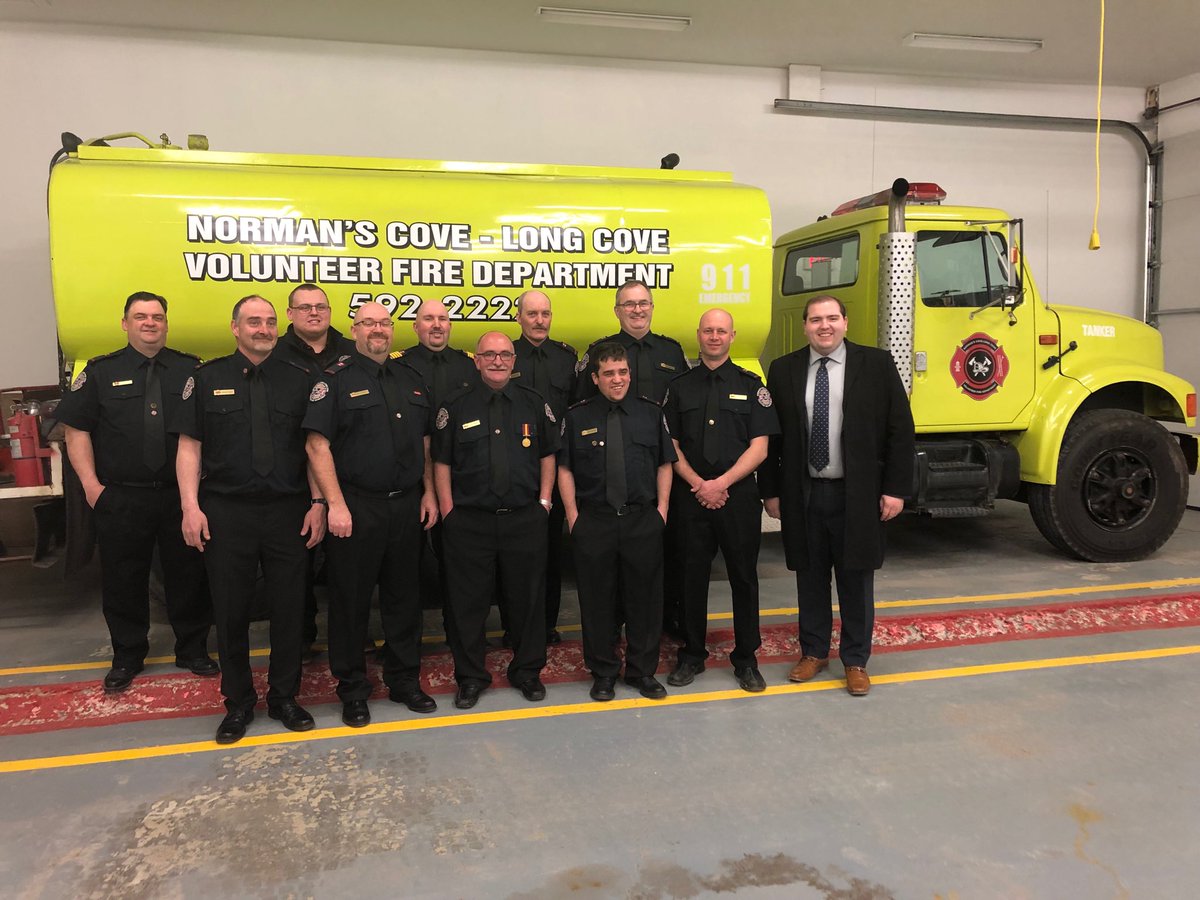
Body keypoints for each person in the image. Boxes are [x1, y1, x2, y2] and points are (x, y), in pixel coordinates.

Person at [173, 295, 327, 743]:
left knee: (289, 609)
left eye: (270, 322)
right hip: (226, 511)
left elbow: (313, 447)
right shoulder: (205, 378)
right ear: (235, 327)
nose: (263, 328)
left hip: (287, 511)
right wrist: (190, 506)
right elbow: (189, 447)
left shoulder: (301, 378)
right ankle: (237, 702)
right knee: (231, 609)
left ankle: (284, 697)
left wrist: (318, 503)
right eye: (253, 322)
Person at [56, 291, 216, 693]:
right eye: (141, 316)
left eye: (158, 317)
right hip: (122, 496)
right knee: (123, 579)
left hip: (179, 495)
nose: (150, 323)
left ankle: (192, 648)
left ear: (166, 323)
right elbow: (76, 432)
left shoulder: (191, 370)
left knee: (189, 575)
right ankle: (127, 655)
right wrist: (93, 489)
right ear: (125, 323)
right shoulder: (99, 373)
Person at [759, 295, 915, 697]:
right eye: (815, 320)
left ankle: (856, 660)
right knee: (809, 577)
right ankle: (813, 652)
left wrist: (895, 490)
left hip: (857, 494)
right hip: (804, 494)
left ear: (845, 322)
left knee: (856, 579)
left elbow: (900, 430)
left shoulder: (876, 365)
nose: (823, 326)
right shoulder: (784, 370)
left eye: (831, 318)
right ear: (805, 326)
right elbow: (773, 441)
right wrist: (771, 492)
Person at [303, 302, 440, 727]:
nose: (377, 330)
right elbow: (315, 446)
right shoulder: (335, 379)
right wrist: (335, 504)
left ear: (392, 329)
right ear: (354, 329)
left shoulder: (411, 379)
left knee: (405, 599)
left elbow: (425, 444)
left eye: (384, 323)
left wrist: (429, 493)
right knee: (350, 602)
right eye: (369, 323)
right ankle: (353, 690)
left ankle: (403, 681)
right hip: (356, 507)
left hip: (405, 504)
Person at [432, 332, 558, 709]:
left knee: (527, 601)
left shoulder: (534, 403)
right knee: (466, 606)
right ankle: (471, 678)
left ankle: (527, 672)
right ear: (477, 359)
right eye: (490, 354)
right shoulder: (454, 406)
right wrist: (448, 509)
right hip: (470, 521)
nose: (498, 361)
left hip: (524, 518)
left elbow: (548, 455)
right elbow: (441, 461)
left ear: (514, 359)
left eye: (505, 354)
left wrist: (544, 502)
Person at [664, 309, 779, 692]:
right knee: (690, 578)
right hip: (691, 497)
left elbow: (760, 447)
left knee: (743, 578)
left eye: (721, 331)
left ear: (733, 336)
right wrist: (700, 484)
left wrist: (721, 483)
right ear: (698, 335)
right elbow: (672, 445)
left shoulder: (752, 385)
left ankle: (746, 659)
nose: (714, 336)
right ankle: (693, 654)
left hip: (738, 496)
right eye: (708, 330)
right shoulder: (680, 386)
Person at [558, 342, 676, 702]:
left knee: (645, 601)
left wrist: (662, 512)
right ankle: (604, 672)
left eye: (623, 372)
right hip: (595, 521)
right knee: (597, 602)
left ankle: (642, 672)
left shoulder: (650, 414)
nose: (617, 379)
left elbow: (664, 464)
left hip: (642, 519)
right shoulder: (577, 417)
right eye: (608, 373)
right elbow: (564, 469)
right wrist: (573, 517)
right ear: (595, 378)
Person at [571, 279, 688, 639]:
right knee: (608, 578)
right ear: (617, 310)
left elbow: (682, 410)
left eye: (643, 303)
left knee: (662, 563)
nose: (637, 309)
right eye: (629, 304)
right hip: (607, 477)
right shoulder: (599, 352)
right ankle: (614, 634)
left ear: (651, 306)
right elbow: (579, 410)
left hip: (659, 471)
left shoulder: (671, 351)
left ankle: (662, 626)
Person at [273, 283, 354, 661]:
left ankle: (351, 633)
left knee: (345, 566)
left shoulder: (351, 352)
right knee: (296, 566)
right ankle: (301, 637)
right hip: (291, 478)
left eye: (320, 306)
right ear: (290, 314)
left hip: (346, 478)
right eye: (304, 308)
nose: (314, 313)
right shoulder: (272, 355)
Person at [396, 299, 478, 632]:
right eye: (428, 318)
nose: (436, 324)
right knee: (404, 565)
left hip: (461, 479)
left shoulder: (468, 366)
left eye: (442, 318)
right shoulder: (398, 366)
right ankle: (404, 637)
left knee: (460, 564)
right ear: (415, 326)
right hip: (410, 479)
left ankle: (460, 631)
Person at [510, 289, 577, 644]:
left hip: (557, 469)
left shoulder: (567, 359)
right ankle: (514, 625)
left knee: (551, 553)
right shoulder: (505, 356)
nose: (539, 320)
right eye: (532, 314)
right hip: (515, 471)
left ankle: (547, 624)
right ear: (518, 317)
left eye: (545, 314)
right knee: (514, 555)